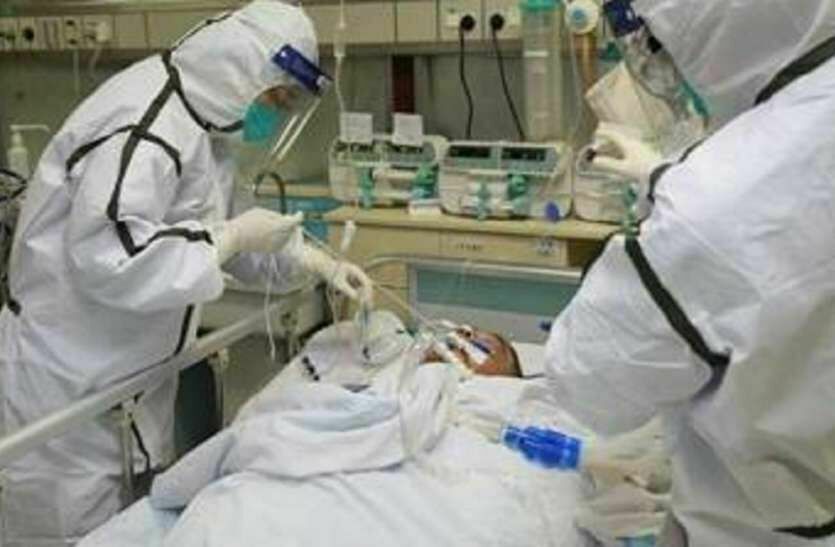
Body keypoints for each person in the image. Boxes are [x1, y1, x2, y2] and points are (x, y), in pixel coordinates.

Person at [0, 2, 372, 545]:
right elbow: (113, 257)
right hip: (67, 387)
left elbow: (222, 226)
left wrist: (310, 260)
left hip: (124, 382)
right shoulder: (143, 126)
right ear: (239, 70)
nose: (273, 114)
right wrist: (231, 237)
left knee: (124, 529)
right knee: (63, 532)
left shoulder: (205, 129)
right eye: (276, 98)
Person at [545, 0, 835, 545]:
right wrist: (667, 175)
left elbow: (587, 383)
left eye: (652, 38)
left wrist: (677, 203)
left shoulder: (713, 208)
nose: (652, 61)